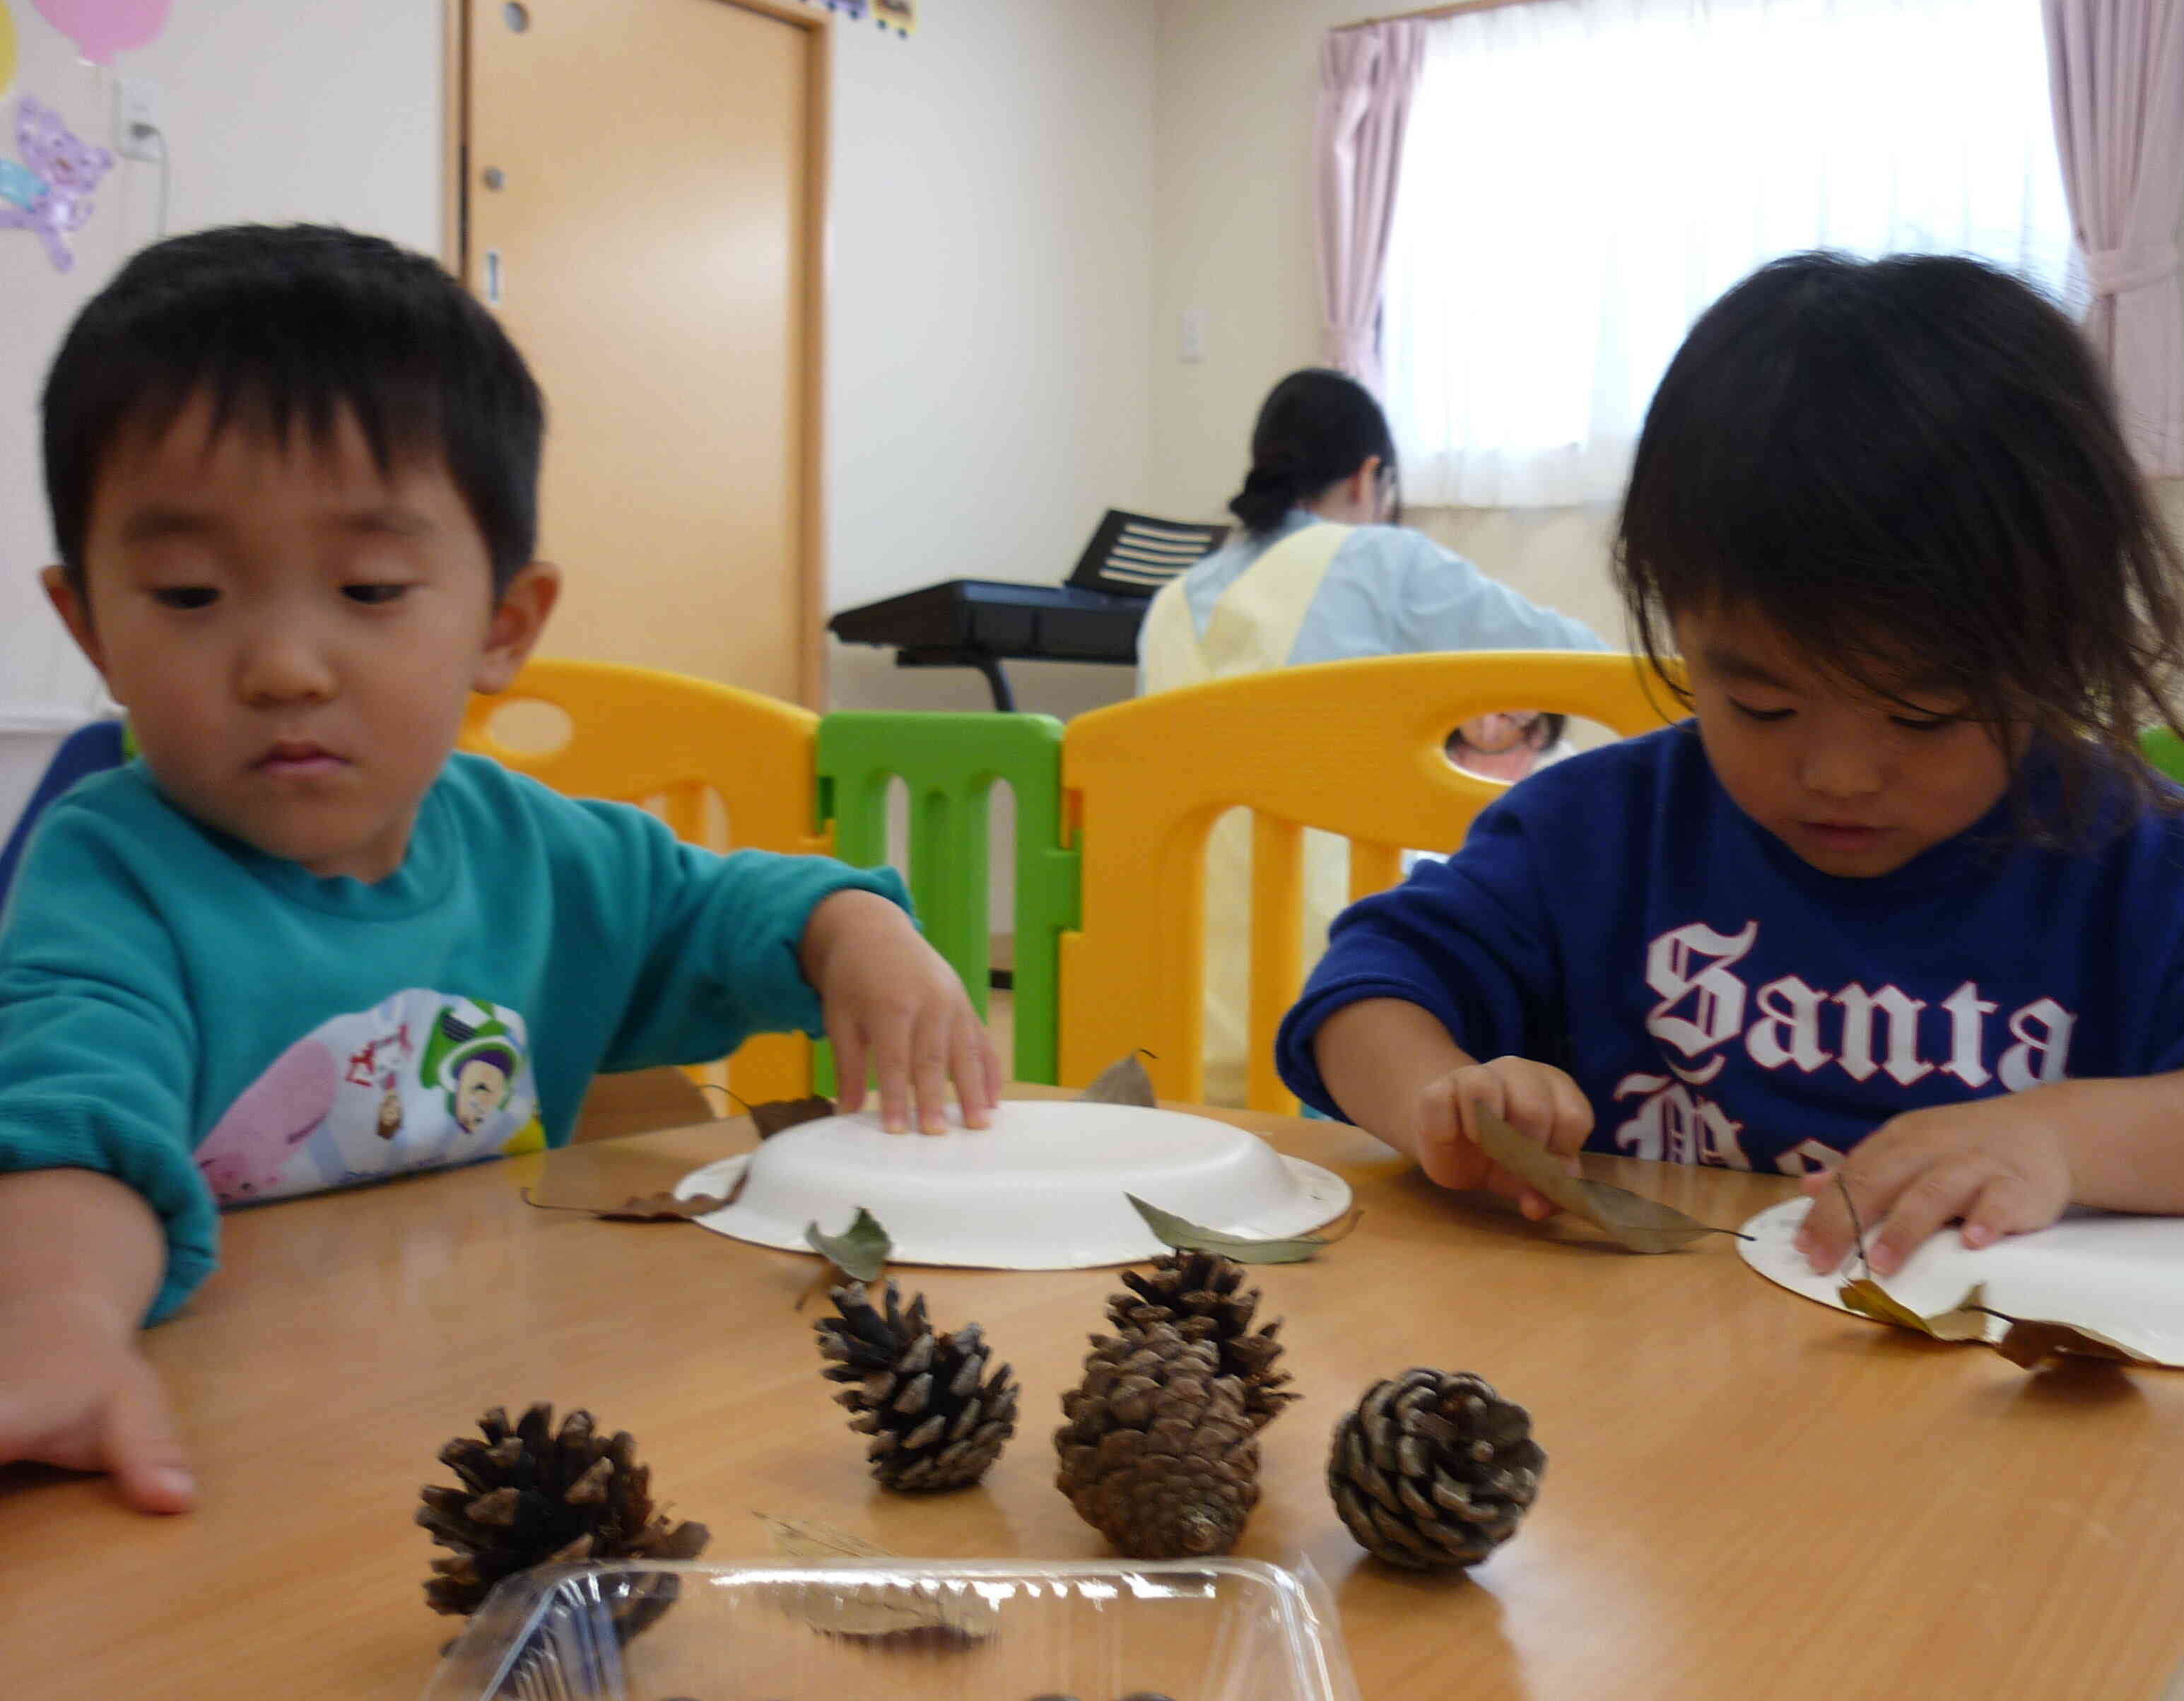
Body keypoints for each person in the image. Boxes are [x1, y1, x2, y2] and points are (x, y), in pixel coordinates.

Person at [0, 224, 999, 1513]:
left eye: (367, 586)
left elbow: (722, 903)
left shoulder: (540, 852)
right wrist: (55, 1321)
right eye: (190, 592)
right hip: (210, 1460)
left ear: (502, 626)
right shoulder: (111, 874)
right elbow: (70, 1126)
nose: (284, 664)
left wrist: (856, 926)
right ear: (88, 622)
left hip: (503, 1440)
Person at [1279, 252, 2184, 1273]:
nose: (1840, 775)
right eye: (1763, 705)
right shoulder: (1597, 837)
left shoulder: (2137, 862)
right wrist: (1442, 1099)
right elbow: (1362, 994)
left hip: (2004, 1405)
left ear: (2057, 650)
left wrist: (2062, 1138)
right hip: (1648, 1383)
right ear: (1677, 620)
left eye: (1926, 713)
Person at [1139, 367, 1604, 1104]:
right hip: (1331, 1027)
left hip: (1164, 1031)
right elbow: (1586, 664)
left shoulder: (1163, 606)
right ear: (1369, 479)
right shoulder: (1380, 558)